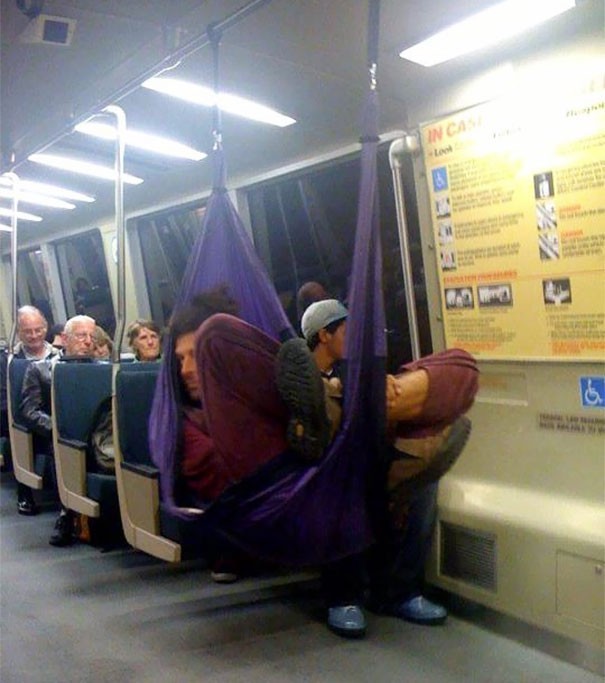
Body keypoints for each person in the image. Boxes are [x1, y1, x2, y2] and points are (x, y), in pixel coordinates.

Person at [277, 298, 477, 637]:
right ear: (324, 335)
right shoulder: (296, 379)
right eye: (346, 329)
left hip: (371, 456)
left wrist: (385, 390)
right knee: (343, 482)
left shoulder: (354, 371)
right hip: (330, 469)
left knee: (424, 486)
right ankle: (343, 595)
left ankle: (400, 591)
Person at [20, 315, 97, 546]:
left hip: (96, 433)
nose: (88, 342)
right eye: (81, 336)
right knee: (62, 446)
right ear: (65, 338)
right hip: (58, 433)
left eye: (92, 337)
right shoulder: (41, 369)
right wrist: (58, 428)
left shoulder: (102, 368)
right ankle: (66, 513)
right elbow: (29, 411)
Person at [12, 306, 61, 515]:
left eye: (38, 330)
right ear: (19, 332)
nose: (33, 336)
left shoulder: (60, 356)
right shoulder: (11, 360)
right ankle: (26, 491)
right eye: (27, 331)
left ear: (46, 328)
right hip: (27, 416)